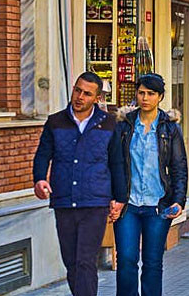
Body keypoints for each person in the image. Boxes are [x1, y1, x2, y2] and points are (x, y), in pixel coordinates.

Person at [32, 72, 125, 296]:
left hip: (95, 202)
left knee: (85, 260)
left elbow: (117, 162)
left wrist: (120, 198)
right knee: (71, 261)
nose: (80, 97)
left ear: (97, 98)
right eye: (78, 90)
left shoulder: (109, 123)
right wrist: (40, 179)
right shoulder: (55, 122)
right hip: (64, 200)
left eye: (87, 93)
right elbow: (43, 154)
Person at [113, 73, 188, 296]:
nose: (145, 98)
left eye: (151, 94)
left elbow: (179, 167)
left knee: (153, 262)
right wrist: (114, 197)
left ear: (160, 97)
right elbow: (115, 164)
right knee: (126, 260)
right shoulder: (124, 125)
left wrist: (178, 200)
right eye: (141, 93)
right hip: (129, 205)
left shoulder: (170, 128)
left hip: (158, 205)